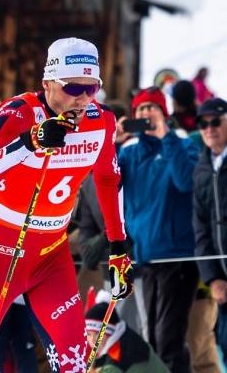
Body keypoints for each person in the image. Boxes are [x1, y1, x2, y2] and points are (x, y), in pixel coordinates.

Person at [0, 37, 132, 373]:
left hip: (50, 257)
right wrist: (29, 142)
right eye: (73, 88)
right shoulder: (19, 112)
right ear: (48, 83)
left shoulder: (101, 121)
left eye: (92, 88)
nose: (83, 98)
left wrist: (118, 248)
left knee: (75, 365)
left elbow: (109, 180)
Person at [119, 86, 199, 372]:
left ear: (164, 113)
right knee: (152, 339)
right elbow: (104, 183)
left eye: (152, 107)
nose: (146, 113)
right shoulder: (129, 153)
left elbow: (185, 182)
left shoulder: (183, 144)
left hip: (178, 258)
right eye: (141, 109)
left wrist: (167, 137)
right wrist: (111, 143)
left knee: (169, 341)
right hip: (146, 258)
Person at [193, 98, 227, 364]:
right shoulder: (202, 167)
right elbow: (201, 226)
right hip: (222, 279)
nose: (209, 129)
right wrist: (213, 277)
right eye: (203, 124)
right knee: (224, 342)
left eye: (215, 122)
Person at [86, 302, 168, 372]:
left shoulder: (117, 359)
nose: (92, 340)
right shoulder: (125, 335)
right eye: (89, 334)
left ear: (111, 331)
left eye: (98, 334)